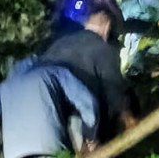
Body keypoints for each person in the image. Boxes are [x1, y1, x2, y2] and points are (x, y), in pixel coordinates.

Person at [40, 9, 133, 145]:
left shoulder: (59, 44)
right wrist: (129, 119)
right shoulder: (102, 48)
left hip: (45, 113)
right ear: (107, 27)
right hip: (77, 114)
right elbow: (113, 88)